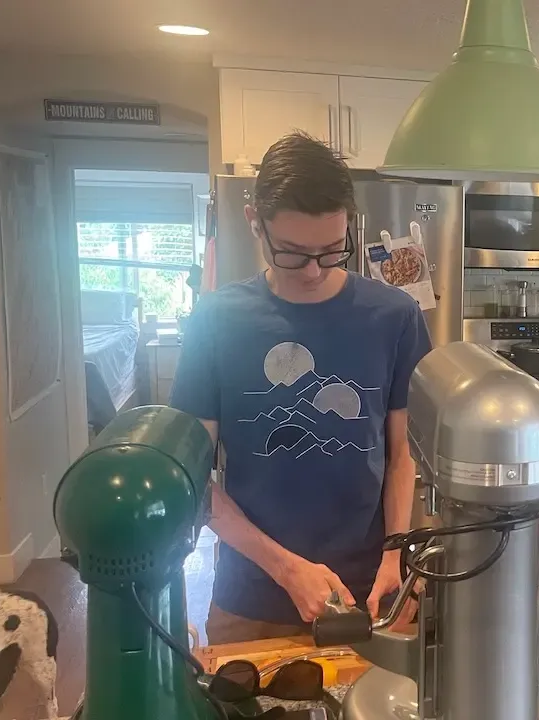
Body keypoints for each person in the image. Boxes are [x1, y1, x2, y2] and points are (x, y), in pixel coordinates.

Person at [169, 132, 432, 644]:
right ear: (254, 225)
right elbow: (192, 480)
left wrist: (396, 554)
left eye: (332, 251)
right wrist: (288, 570)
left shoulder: (396, 317)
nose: (313, 271)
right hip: (253, 597)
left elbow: (404, 456)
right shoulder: (215, 322)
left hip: (372, 590)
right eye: (292, 253)